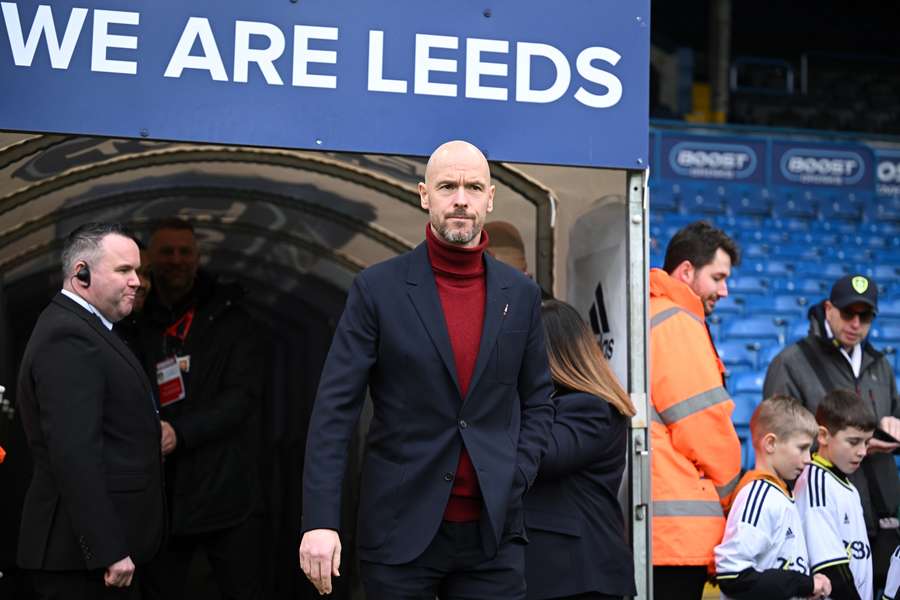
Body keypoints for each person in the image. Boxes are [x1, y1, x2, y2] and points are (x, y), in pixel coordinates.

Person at [298, 140, 555, 599]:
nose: (461, 198)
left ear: (490, 198)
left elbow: (538, 398)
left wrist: (516, 473)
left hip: (492, 536)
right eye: (447, 186)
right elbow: (334, 411)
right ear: (424, 195)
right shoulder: (377, 289)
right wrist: (320, 520)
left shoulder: (520, 295)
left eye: (474, 187)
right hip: (399, 532)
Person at [15, 222, 164, 599]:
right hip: (82, 563)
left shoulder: (88, 329)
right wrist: (108, 548)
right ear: (81, 273)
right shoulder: (68, 336)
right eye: (124, 270)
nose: (137, 281)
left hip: (93, 558)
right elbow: (73, 452)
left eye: (139, 271)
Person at [137, 219, 263, 600]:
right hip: (157, 491)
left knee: (239, 588)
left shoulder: (229, 317)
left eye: (184, 252)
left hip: (222, 486)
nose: (176, 260)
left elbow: (242, 396)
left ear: (198, 257)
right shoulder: (134, 316)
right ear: (150, 260)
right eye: (166, 252)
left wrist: (181, 432)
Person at [764, 274, 900, 587]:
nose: (856, 323)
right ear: (828, 309)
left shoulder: (880, 364)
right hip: (823, 516)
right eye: (847, 312)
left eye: (864, 316)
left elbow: (893, 413)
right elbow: (776, 439)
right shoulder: (791, 362)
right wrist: (839, 443)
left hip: (883, 512)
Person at [649, 220, 743, 600]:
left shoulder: (649, 312)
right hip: (678, 533)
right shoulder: (677, 323)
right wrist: (732, 494)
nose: (725, 290)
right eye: (717, 277)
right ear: (686, 271)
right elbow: (704, 427)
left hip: (656, 527)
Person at [524, 299, 636, 600]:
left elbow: (545, 455)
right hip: (563, 574)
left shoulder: (588, 406)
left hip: (578, 574)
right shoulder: (567, 404)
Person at [714, 395, 831, 600]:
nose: (808, 459)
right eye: (802, 448)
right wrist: (804, 583)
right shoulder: (758, 495)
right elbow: (732, 575)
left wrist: (807, 587)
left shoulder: (780, 493)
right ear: (770, 443)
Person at [794, 389, 877, 600]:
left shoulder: (842, 482)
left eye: (866, 442)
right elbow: (830, 565)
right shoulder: (816, 483)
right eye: (853, 441)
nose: (862, 452)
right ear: (823, 436)